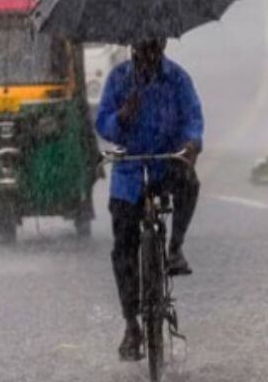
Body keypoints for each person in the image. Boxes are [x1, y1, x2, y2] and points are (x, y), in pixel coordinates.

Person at [95, 38, 203, 362]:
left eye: (153, 48)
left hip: (166, 162)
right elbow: (103, 123)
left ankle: (175, 250)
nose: (147, 56)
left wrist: (191, 144)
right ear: (132, 48)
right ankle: (132, 325)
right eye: (142, 49)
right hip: (129, 172)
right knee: (123, 249)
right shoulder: (118, 79)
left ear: (163, 45)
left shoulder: (178, 79)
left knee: (189, 183)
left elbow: (193, 118)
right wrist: (122, 117)